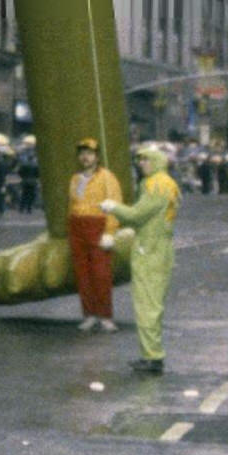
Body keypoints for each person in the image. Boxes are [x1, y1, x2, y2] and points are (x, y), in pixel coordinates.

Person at [101, 141, 180, 373]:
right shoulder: (160, 183)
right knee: (149, 304)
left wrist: (113, 207)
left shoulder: (157, 184)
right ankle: (150, 354)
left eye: (145, 159)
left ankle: (153, 357)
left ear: (156, 161)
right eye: (140, 160)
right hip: (154, 247)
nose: (141, 164)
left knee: (148, 306)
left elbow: (136, 215)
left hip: (151, 249)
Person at [67, 135, 122, 332]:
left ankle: (106, 316)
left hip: (97, 226)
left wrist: (109, 231)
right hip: (77, 227)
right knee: (82, 274)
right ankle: (89, 314)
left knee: (101, 274)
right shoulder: (75, 178)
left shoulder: (107, 177)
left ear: (97, 157)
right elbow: (72, 204)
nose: (85, 157)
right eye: (82, 154)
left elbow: (115, 205)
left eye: (89, 154)